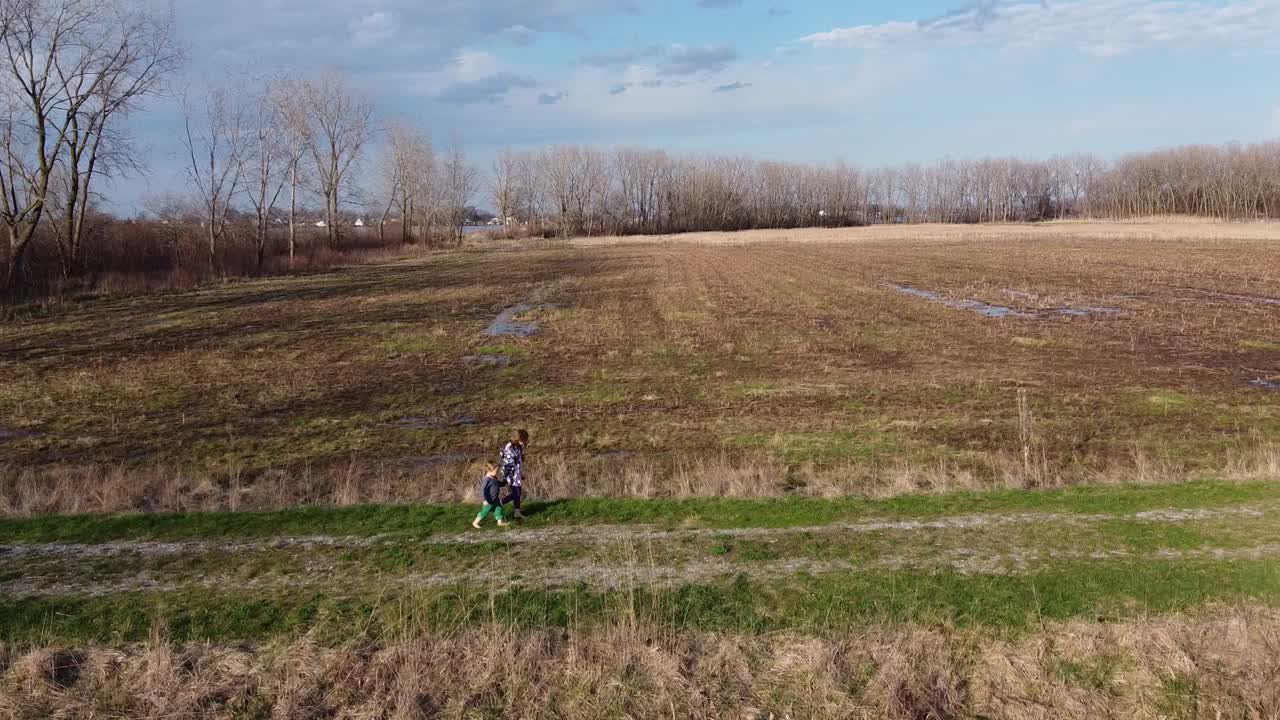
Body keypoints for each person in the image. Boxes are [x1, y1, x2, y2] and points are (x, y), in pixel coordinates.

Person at [500, 429, 529, 519]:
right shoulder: (510, 448)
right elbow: (509, 464)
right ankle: (498, 503)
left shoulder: (517, 447)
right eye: (525, 440)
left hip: (516, 474)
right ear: (519, 439)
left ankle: (517, 511)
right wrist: (509, 478)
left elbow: (518, 461)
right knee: (516, 493)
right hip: (511, 475)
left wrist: (520, 474)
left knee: (518, 493)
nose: (526, 441)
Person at [472, 462, 508, 528]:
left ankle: (500, 522)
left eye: (497, 470)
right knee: (485, 512)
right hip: (489, 500)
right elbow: (482, 490)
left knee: (498, 509)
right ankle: (475, 522)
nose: (497, 472)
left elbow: (500, 484)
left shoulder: (494, 478)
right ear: (489, 470)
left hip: (495, 499)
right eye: (496, 471)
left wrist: (505, 481)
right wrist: (484, 500)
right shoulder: (487, 480)